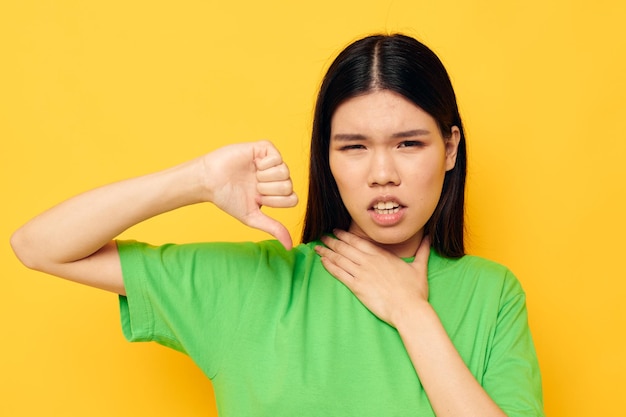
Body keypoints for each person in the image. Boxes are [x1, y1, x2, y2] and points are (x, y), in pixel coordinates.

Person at [10, 34, 544, 416]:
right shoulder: (256, 286)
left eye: (409, 144)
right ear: (326, 159)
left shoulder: (491, 294)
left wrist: (411, 313)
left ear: (450, 149)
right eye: (354, 147)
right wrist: (195, 179)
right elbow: (39, 246)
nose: (383, 175)